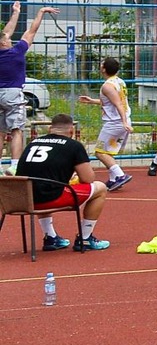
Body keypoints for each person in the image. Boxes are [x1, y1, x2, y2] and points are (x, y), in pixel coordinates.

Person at [19, 113, 110, 251]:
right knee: (100, 188)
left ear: (50, 129)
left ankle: (50, 237)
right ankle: (85, 238)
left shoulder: (33, 143)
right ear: (71, 131)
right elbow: (88, 179)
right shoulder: (74, 146)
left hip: (24, 199)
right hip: (50, 198)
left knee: (39, 185)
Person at [0, 4, 55, 168]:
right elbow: (31, 31)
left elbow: (6, 32)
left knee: (0, 132)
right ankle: (15, 165)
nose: (10, 39)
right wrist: (41, 12)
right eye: (8, 39)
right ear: (4, 43)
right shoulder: (16, 52)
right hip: (13, 94)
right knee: (16, 130)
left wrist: (15, 13)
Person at [78, 57, 134, 191]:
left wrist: (123, 122)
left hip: (115, 123)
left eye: (101, 65)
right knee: (108, 152)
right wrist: (92, 101)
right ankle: (113, 179)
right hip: (121, 121)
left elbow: (118, 104)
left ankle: (120, 175)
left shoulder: (107, 86)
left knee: (100, 152)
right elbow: (112, 102)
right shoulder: (119, 81)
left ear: (103, 69)